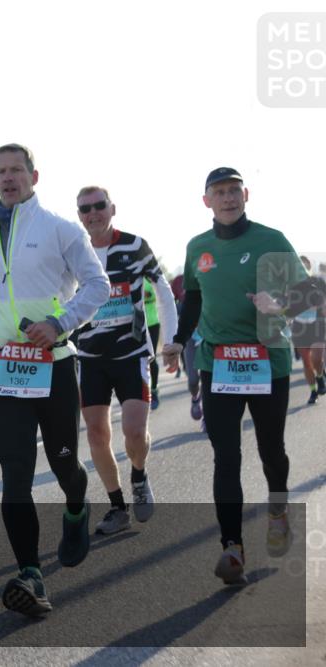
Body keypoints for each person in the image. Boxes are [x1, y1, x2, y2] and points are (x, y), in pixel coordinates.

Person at [0, 144, 110, 616]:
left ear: (33, 176)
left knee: (64, 465)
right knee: (14, 474)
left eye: (16, 169)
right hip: (4, 367)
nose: (8, 177)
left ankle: (77, 508)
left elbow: (97, 286)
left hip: (55, 363)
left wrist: (60, 324)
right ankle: (31, 575)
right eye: (0, 171)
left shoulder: (59, 229)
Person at [162, 167, 308, 585]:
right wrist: (177, 340)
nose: (228, 199)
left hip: (269, 361)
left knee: (271, 451)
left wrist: (277, 303)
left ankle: (278, 510)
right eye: (219, 193)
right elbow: (192, 299)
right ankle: (233, 547)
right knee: (226, 457)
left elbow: (308, 296)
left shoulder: (271, 240)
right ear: (206, 201)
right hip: (219, 363)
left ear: (246, 195)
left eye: (233, 191)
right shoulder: (198, 248)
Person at [72, 186, 176, 535]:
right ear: (79, 215)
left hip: (131, 352)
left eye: (99, 206)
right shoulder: (72, 252)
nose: (93, 213)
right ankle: (117, 507)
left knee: (134, 432)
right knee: (97, 435)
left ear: (112, 208)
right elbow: (55, 296)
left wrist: (172, 340)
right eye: (85, 209)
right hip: (90, 356)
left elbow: (162, 289)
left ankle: (139, 473)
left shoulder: (134, 245)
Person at [288, 256, 325, 404]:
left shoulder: (318, 281)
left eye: (303, 266)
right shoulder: (290, 285)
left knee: (316, 359)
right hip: (299, 326)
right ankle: (313, 391)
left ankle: (320, 376)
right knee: (306, 361)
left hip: (317, 325)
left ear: (308, 266)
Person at [143, 280, 163, 409]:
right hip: (135, 324)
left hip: (152, 323)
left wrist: (146, 294)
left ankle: (154, 390)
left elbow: (157, 294)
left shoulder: (148, 278)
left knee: (151, 357)